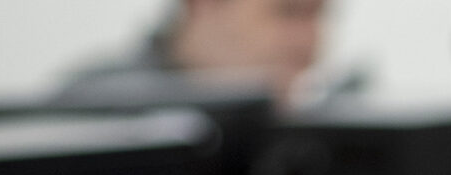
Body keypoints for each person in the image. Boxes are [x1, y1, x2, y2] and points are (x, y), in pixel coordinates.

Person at [67, 0, 330, 107]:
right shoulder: (87, 112)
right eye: (289, 13)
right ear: (203, 6)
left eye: (318, 15)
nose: (309, 39)